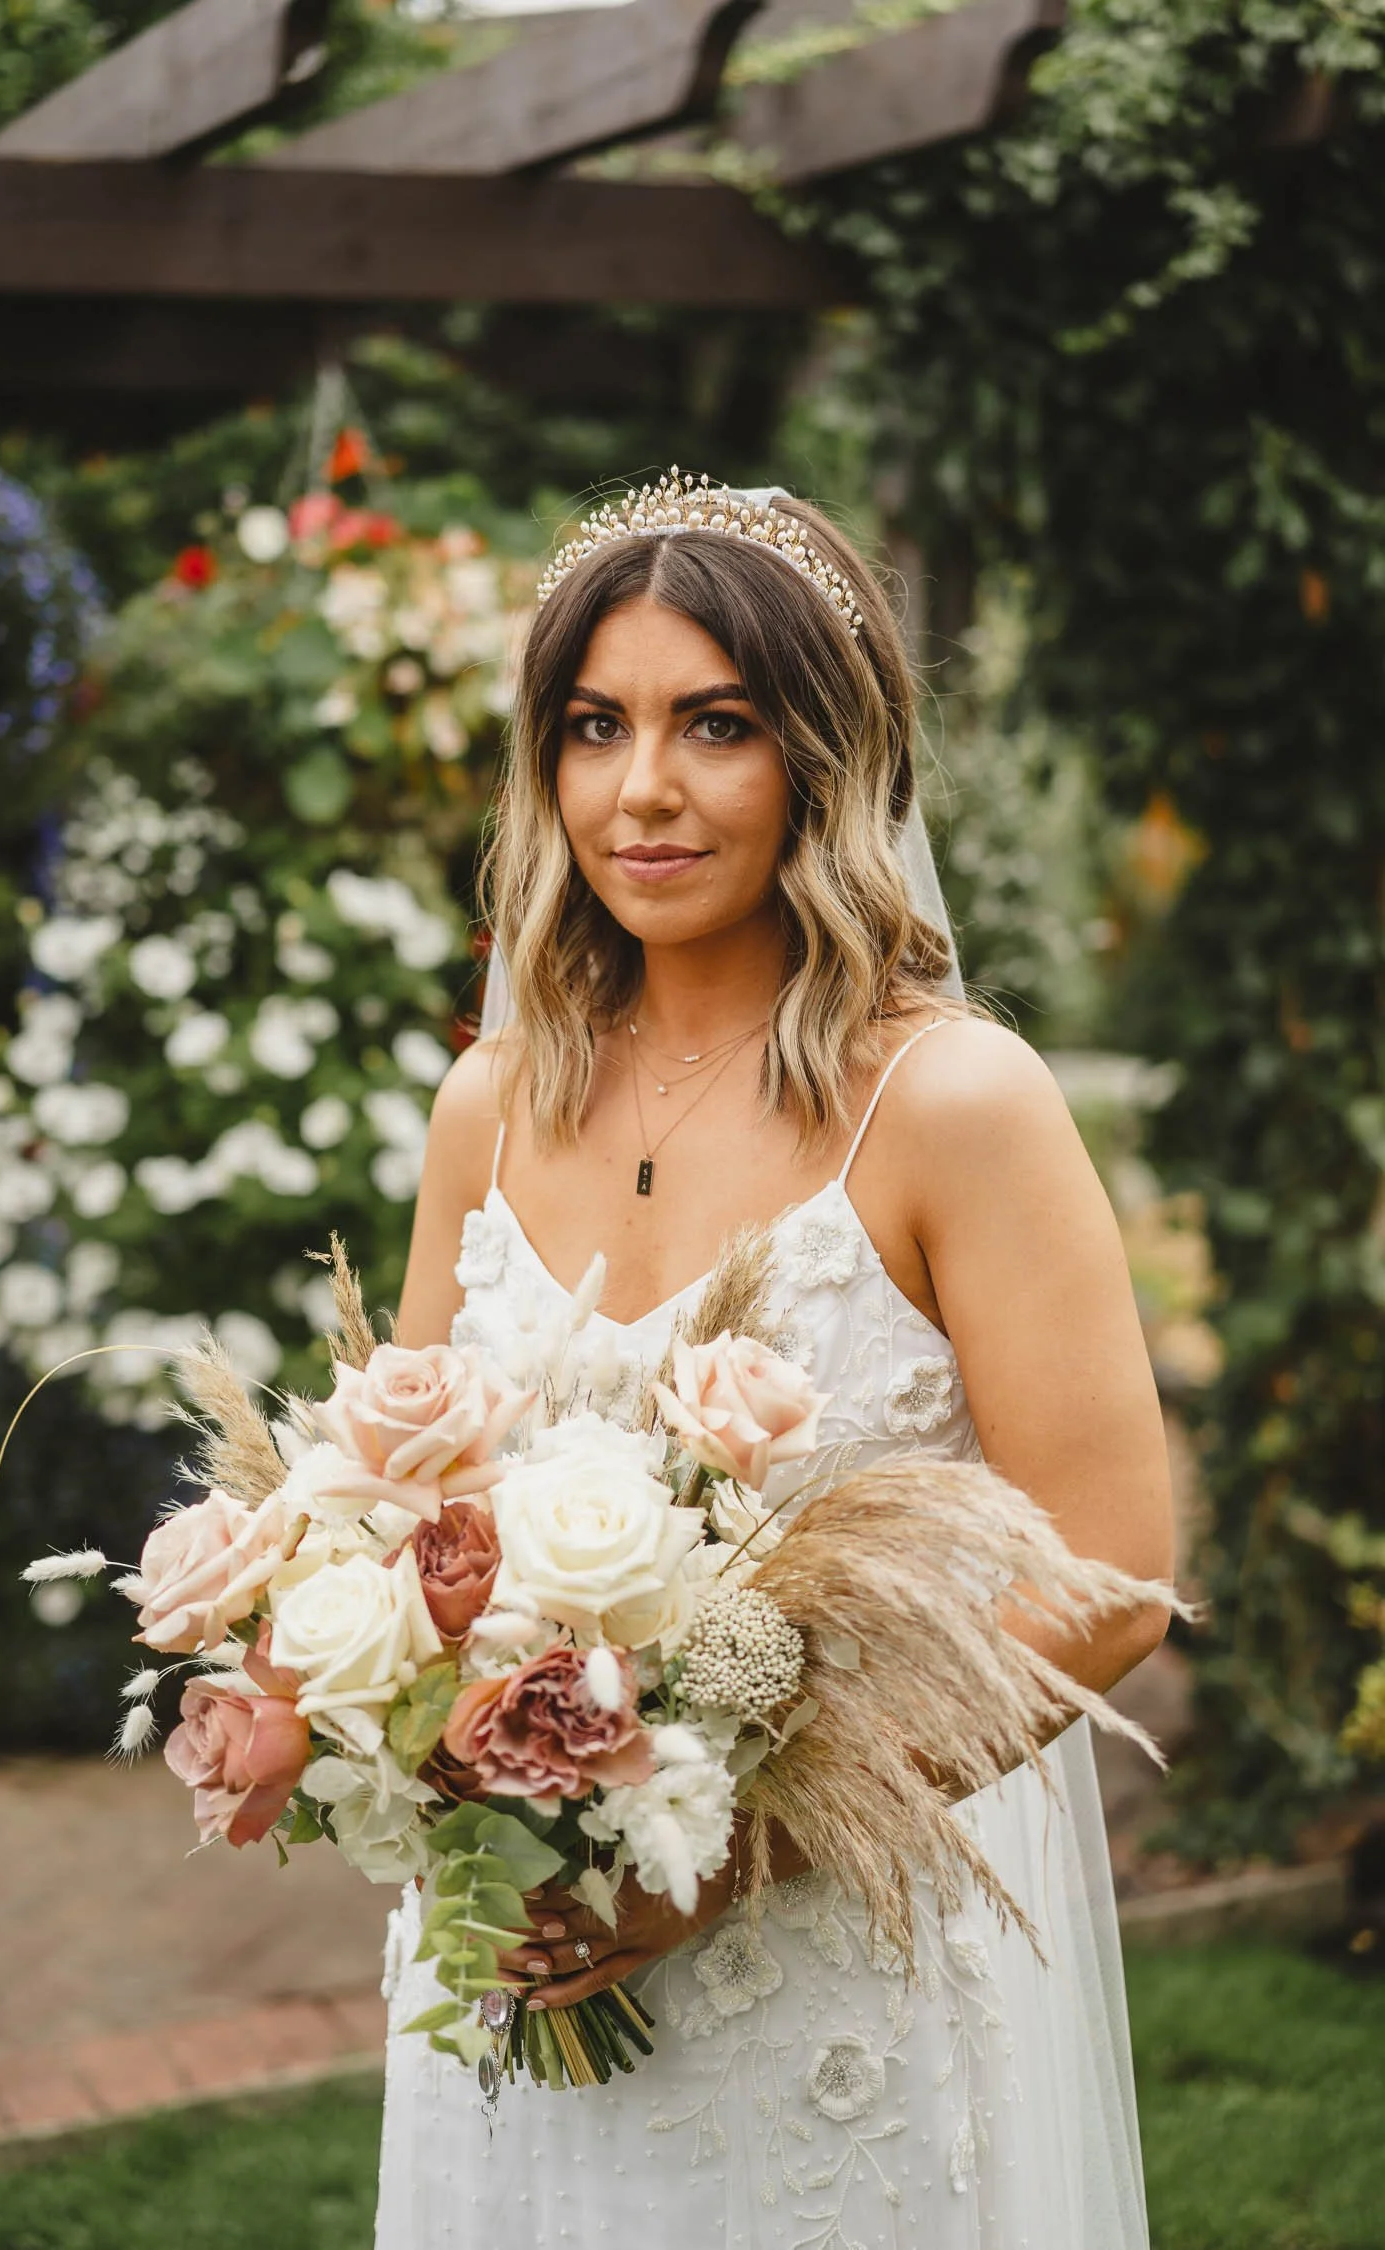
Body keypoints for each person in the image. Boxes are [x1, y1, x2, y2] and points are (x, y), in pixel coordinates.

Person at [375, 474, 1173, 2247]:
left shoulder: (952, 1100)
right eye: (596, 727)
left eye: (712, 724)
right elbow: (398, 1515)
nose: (641, 788)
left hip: (844, 1978)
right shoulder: (489, 1104)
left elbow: (1112, 1582)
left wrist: (733, 1851)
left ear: (824, 754)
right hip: (525, 1948)